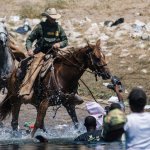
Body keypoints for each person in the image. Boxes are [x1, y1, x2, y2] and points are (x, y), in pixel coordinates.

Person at [19, 8, 68, 97]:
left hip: (55, 52)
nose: (54, 19)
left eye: (54, 17)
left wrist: (59, 44)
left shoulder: (58, 28)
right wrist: (29, 49)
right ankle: (26, 89)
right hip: (41, 52)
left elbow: (65, 40)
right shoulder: (40, 27)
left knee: (69, 64)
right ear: (47, 17)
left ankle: (71, 92)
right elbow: (30, 39)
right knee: (34, 67)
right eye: (52, 17)